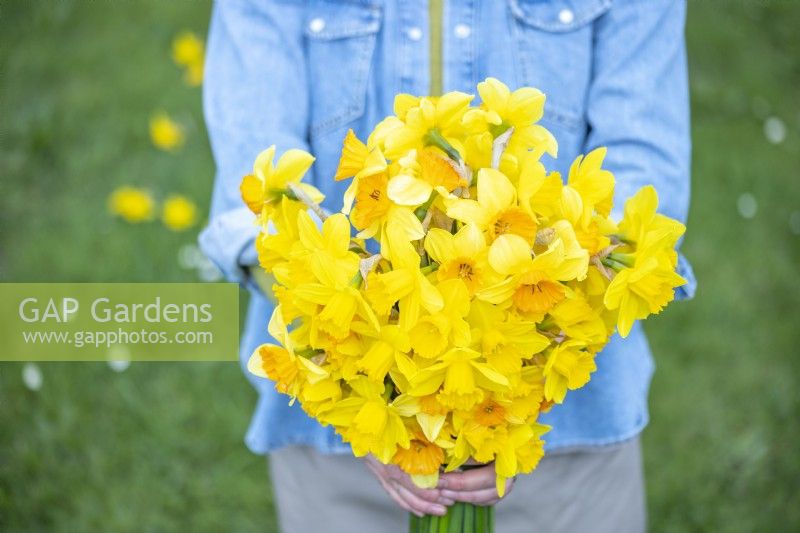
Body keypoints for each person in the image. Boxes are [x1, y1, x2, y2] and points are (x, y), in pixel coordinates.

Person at [199, 1, 696, 531]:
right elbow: (256, 177)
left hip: (563, 425)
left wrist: (513, 409)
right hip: (341, 431)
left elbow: (644, 166)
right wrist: (358, 383)